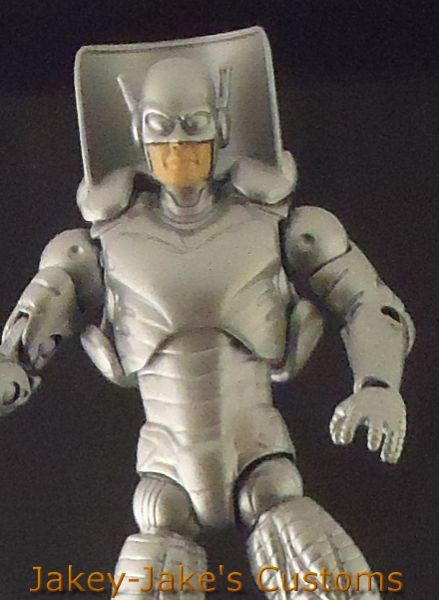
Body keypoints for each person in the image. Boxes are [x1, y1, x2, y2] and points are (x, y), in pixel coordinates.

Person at [0, 28, 414, 599]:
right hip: (165, 462)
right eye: (161, 128)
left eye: (193, 125)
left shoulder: (284, 227)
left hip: (259, 451)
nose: (178, 145)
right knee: (160, 531)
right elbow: (40, 312)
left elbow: (367, 300)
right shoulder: (96, 246)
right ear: (138, 132)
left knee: (292, 527)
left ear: (220, 124)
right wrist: (12, 365)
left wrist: (378, 385)